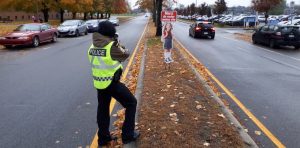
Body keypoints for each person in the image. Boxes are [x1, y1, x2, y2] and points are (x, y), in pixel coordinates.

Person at [87, 21, 140, 146]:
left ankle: (103, 138)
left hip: (99, 83)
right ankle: (128, 135)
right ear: (110, 33)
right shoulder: (111, 46)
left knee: (103, 110)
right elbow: (125, 54)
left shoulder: (92, 47)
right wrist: (116, 42)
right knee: (131, 102)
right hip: (111, 83)